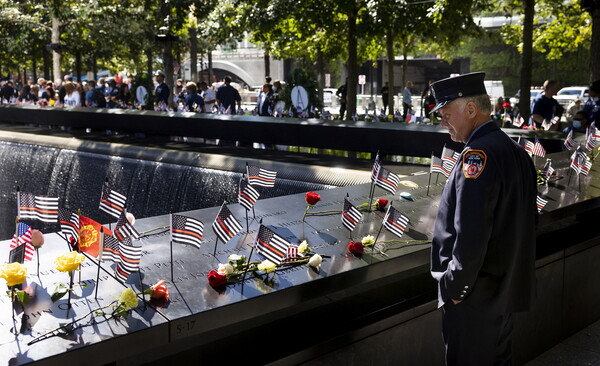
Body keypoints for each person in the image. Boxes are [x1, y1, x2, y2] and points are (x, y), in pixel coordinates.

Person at [429, 72, 537, 366]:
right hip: (502, 292)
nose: (442, 122)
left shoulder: (477, 156)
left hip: (475, 297)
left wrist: (455, 289)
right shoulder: (513, 150)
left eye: (446, 114)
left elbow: (472, 232)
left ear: (471, 110)